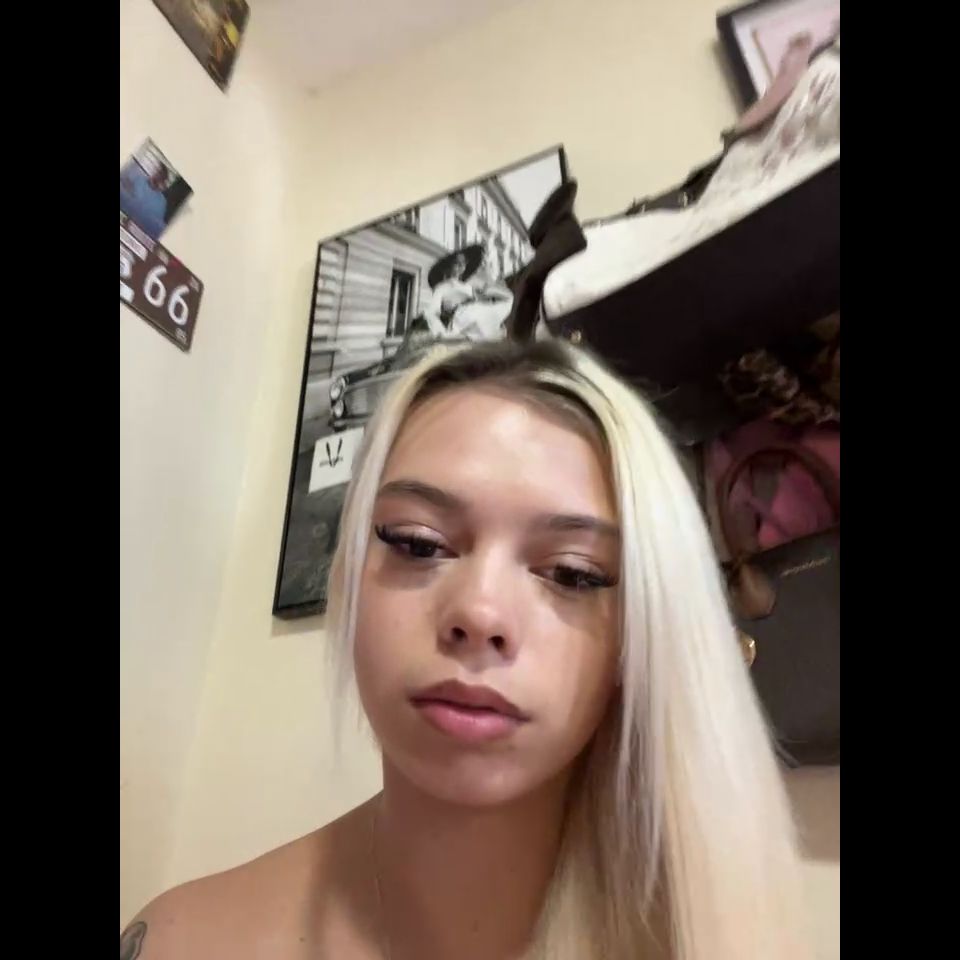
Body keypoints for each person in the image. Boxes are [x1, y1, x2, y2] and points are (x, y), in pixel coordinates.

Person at [121, 339, 809, 960]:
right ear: (349, 578)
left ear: (641, 636)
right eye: (418, 543)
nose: (479, 613)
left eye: (573, 573)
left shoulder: (728, 940)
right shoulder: (180, 941)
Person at [423, 245, 512, 342]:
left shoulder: (466, 286)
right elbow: (431, 313)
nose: (461, 266)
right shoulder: (442, 287)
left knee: (507, 301)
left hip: (477, 313)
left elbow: (483, 297)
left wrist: (485, 292)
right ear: (448, 267)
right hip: (463, 319)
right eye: (457, 263)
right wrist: (442, 333)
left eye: (464, 263)